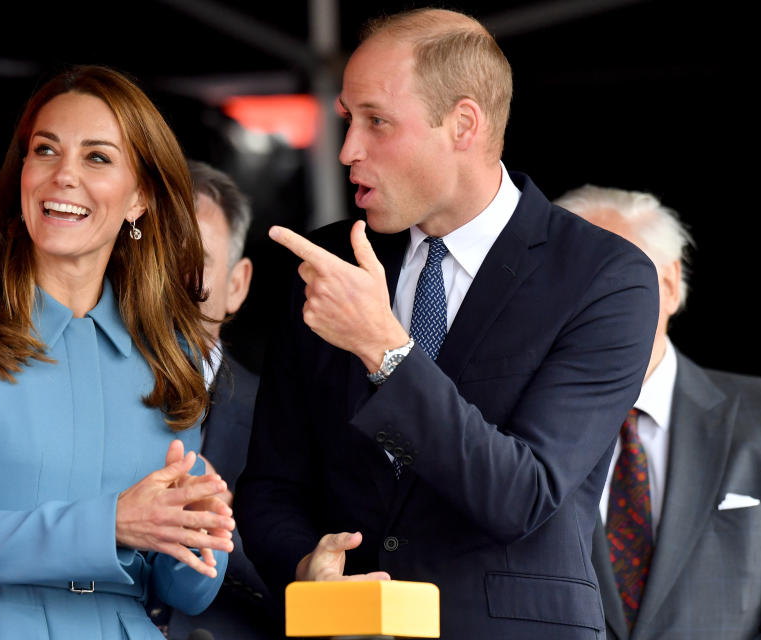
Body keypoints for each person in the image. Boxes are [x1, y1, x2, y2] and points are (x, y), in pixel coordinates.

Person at [234, 8, 659, 639]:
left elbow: (524, 493)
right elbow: (271, 484)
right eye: (349, 121)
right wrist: (305, 566)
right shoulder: (328, 262)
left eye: (377, 122)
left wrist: (385, 350)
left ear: (463, 124)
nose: (348, 150)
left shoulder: (604, 276)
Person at [0, 65, 235, 640]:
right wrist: (112, 524)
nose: (63, 175)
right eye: (45, 151)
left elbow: (183, 594)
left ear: (139, 198)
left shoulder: (172, 355)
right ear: (21, 172)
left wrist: (199, 532)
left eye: (97, 158)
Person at [555, 185, 761, 639]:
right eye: (564, 283)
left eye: (607, 277)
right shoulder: (510, 425)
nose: (583, 304)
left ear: (669, 285)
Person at [152, 160, 281, 639]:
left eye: (196, 260)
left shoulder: (283, 417)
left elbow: (315, 589)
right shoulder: (68, 391)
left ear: (237, 284)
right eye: (159, 255)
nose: (171, 279)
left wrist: (221, 531)